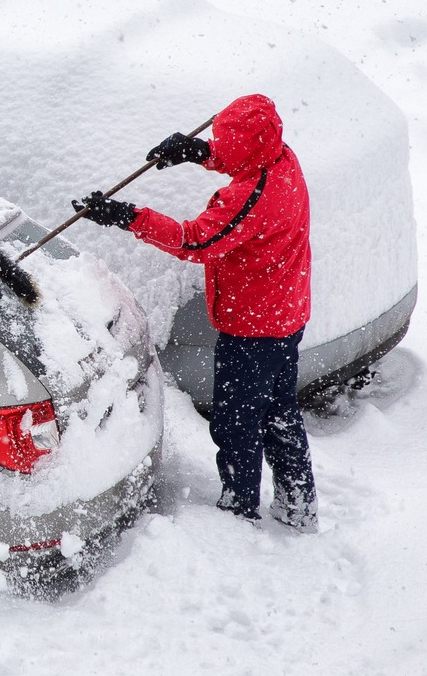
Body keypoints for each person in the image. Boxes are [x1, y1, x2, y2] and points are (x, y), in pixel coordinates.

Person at [73, 94, 318, 532]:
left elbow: (195, 241)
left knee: (236, 424)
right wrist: (200, 153)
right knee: (279, 413)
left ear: (247, 144)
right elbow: (246, 156)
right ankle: (298, 506)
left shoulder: (252, 197)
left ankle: (239, 510)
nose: (219, 146)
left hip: (254, 330)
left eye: (225, 141)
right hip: (284, 317)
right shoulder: (281, 159)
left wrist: (127, 216)